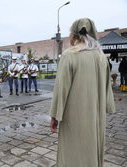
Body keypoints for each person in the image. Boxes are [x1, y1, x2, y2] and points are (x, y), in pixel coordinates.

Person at [50, 18, 115, 167]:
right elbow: (107, 89)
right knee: (92, 148)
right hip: (96, 116)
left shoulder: (69, 55)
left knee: (72, 153)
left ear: (73, 34)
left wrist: (55, 116)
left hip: (74, 117)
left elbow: (61, 90)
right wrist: (108, 107)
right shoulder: (101, 58)